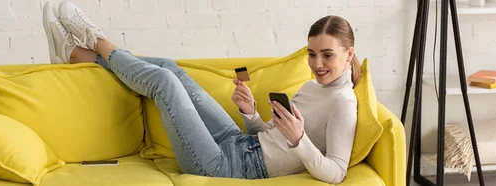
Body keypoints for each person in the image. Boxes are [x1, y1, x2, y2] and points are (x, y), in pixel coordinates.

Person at [42, 1, 360, 184]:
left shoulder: (343, 103)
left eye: (327, 55)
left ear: (348, 54)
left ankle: (95, 39)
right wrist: (250, 114)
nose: (317, 64)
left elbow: (336, 172)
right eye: (312, 54)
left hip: (227, 167)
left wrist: (298, 139)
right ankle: (74, 55)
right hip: (240, 142)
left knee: (164, 81)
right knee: (172, 66)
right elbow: (270, 138)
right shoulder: (312, 87)